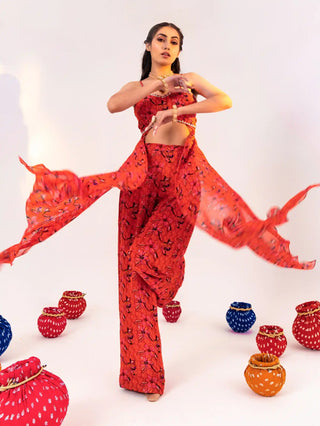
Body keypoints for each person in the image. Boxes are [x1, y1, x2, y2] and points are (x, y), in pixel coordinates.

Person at [0, 22, 318, 402]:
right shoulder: (138, 88)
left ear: (179, 49)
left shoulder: (190, 80)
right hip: (143, 179)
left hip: (183, 178)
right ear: (149, 45)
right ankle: (145, 379)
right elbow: (114, 104)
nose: (168, 46)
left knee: (148, 256)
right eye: (161, 39)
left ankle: (166, 287)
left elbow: (224, 100)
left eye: (175, 41)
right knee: (131, 280)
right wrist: (157, 86)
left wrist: (179, 108)